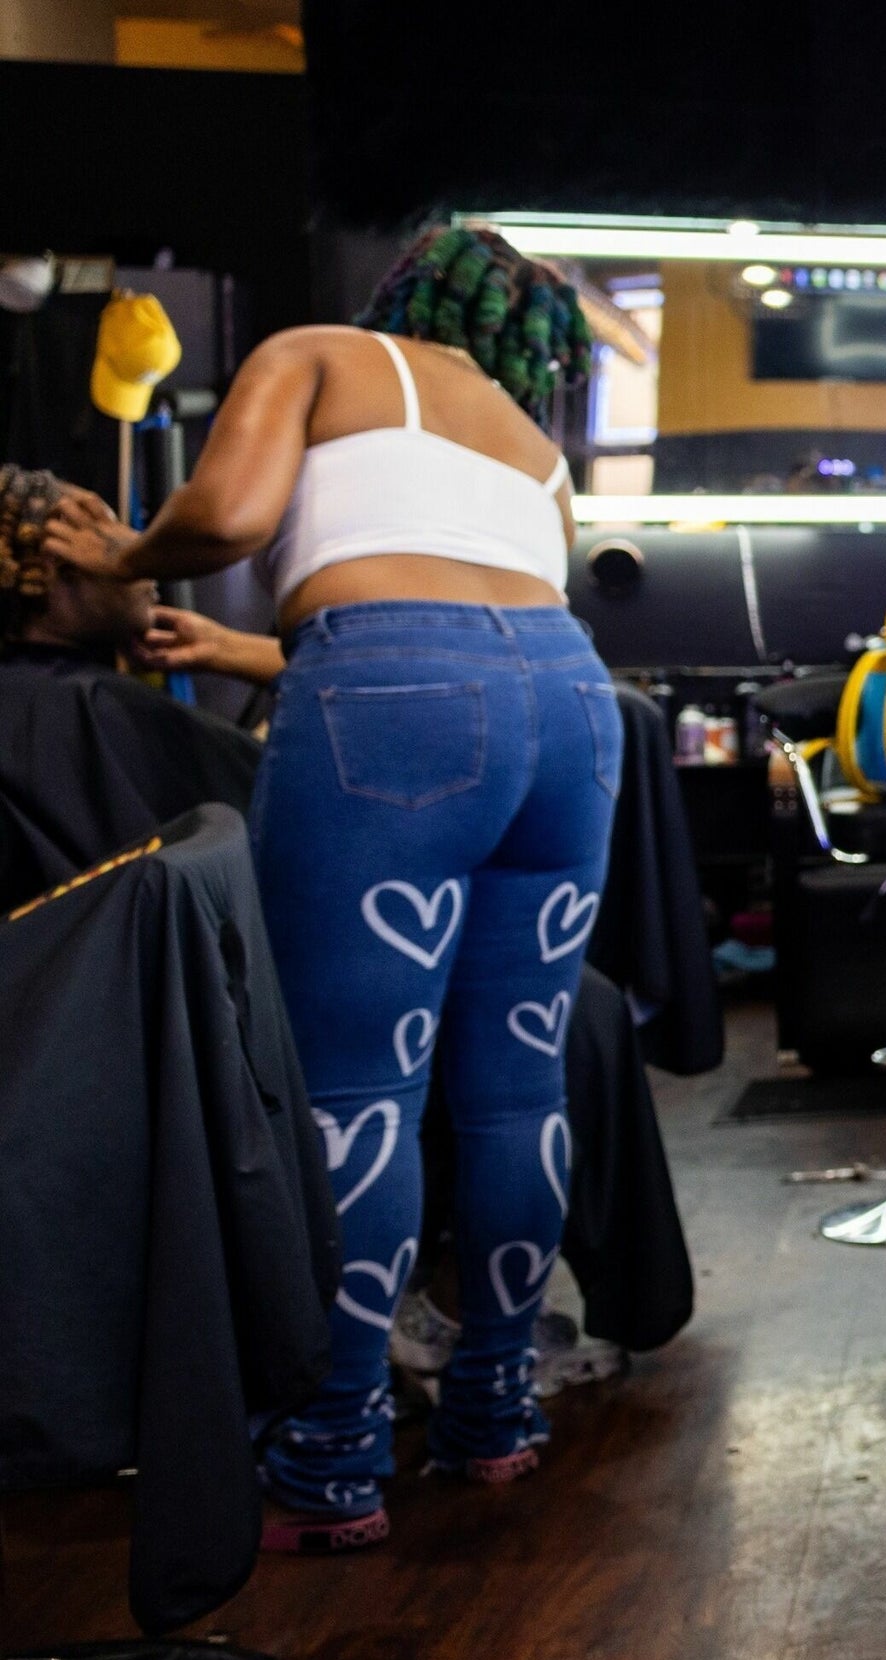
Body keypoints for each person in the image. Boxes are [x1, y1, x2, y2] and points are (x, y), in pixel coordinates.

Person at [52, 225, 611, 1551]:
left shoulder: (319, 353)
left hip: (392, 706)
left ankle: (333, 1452)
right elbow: (484, 616)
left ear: (401, 298)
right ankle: (495, 1411)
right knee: (517, 1087)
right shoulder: (536, 449)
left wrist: (124, 556)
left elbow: (236, 520)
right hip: (573, 707)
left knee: (360, 1089)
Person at [0, 466, 283, 907]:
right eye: (109, 530)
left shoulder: (33, 703)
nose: (140, 546)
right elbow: (297, 800)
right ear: (61, 564)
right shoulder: (94, 708)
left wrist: (223, 647)